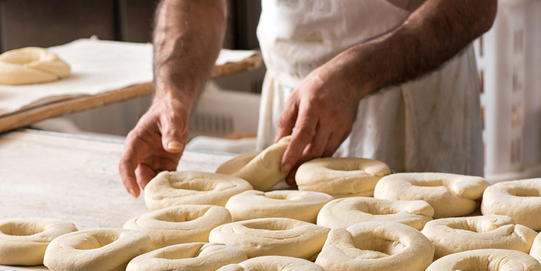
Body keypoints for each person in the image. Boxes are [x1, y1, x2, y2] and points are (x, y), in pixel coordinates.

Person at [119, 0, 497, 197]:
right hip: (289, 101)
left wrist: (355, 73)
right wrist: (172, 92)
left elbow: (474, 7)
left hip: (408, 104)